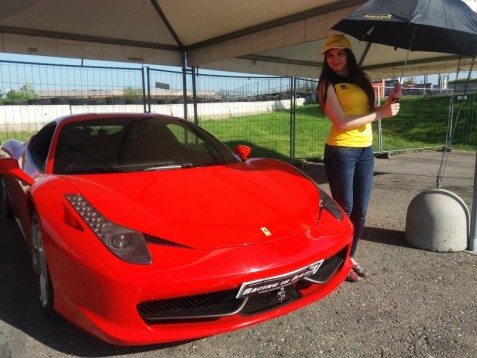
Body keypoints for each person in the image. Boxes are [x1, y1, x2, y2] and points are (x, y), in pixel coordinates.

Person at [317, 34, 402, 282]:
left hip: (366, 150)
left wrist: (388, 102)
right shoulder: (325, 84)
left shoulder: (361, 79)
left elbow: (367, 113)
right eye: (330, 55)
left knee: (361, 212)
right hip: (341, 150)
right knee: (346, 208)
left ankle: (348, 257)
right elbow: (342, 123)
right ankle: (339, 259)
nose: (335, 59)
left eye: (340, 53)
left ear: (348, 55)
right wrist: (381, 115)